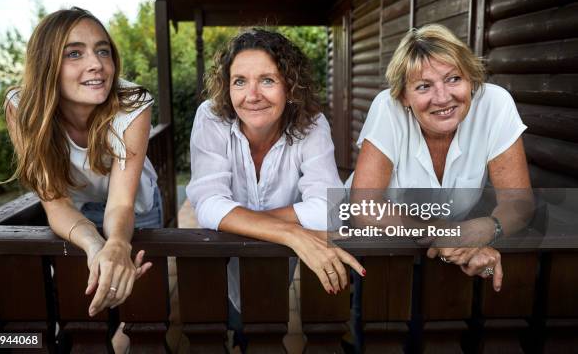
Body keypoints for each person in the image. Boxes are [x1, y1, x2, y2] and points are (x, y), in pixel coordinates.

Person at [187, 28, 365, 349]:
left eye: (267, 80)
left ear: (290, 85)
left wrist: (244, 220)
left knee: (264, 328)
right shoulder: (211, 118)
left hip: (276, 265)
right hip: (221, 258)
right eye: (239, 81)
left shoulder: (311, 125)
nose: (252, 95)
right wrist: (292, 233)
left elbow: (330, 209)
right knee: (218, 324)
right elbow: (207, 203)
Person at [4, 7, 160, 352]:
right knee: (81, 302)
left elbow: (121, 203)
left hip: (137, 203)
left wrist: (117, 243)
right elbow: (55, 201)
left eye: (102, 50)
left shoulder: (133, 104)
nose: (97, 64)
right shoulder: (21, 107)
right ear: (47, 64)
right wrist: (94, 245)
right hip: (73, 208)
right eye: (74, 53)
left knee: (138, 304)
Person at [350, 24, 533, 291]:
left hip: (443, 251)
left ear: (471, 79)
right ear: (404, 96)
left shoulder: (495, 105)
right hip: (375, 242)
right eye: (424, 86)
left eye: (453, 79)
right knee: (372, 316)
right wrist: (445, 231)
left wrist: (488, 227)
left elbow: (519, 202)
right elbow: (363, 209)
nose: (443, 97)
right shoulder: (387, 108)